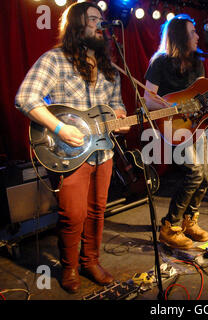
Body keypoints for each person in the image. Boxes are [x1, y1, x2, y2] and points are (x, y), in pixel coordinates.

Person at [15, 2, 129, 293]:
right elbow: (26, 98)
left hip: (103, 149)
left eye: (101, 20)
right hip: (68, 150)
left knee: (98, 210)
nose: (99, 25)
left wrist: (121, 118)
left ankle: (91, 260)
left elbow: (117, 106)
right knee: (73, 214)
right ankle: (70, 267)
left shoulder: (109, 67)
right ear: (76, 24)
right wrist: (59, 127)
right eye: (92, 19)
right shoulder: (55, 59)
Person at [143, 14, 208, 249]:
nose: (197, 36)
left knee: (205, 177)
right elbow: (148, 98)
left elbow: (202, 97)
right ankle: (170, 226)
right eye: (192, 32)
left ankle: (189, 221)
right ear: (180, 36)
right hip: (175, 126)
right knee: (194, 173)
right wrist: (171, 107)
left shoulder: (197, 62)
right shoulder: (160, 62)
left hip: (198, 127)